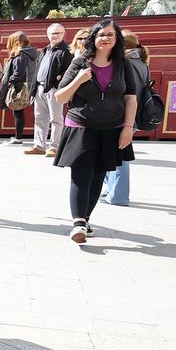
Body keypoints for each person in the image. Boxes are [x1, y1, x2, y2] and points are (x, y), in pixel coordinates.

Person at [54, 18, 139, 244]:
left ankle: (85, 218)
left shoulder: (123, 64)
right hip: (81, 125)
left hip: (111, 127)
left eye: (110, 35)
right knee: (82, 174)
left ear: (116, 39)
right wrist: (79, 80)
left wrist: (128, 128)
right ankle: (78, 222)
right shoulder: (81, 62)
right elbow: (60, 96)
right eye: (101, 34)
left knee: (99, 175)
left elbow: (131, 98)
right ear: (93, 38)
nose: (105, 38)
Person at [102, 31, 151, 207]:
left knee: (120, 156)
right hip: (134, 115)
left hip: (122, 116)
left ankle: (118, 195)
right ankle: (111, 188)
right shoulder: (142, 63)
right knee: (114, 153)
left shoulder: (124, 63)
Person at [28, 23, 72, 157]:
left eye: (58, 33)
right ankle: (39, 146)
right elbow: (37, 71)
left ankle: (54, 147)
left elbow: (68, 72)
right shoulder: (44, 51)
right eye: (52, 33)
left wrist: (59, 84)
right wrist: (33, 89)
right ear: (47, 35)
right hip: (40, 88)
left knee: (56, 119)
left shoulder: (66, 51)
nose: (55, 36)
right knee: (40, 118)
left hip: (54, 89)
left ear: (63, 34)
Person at [0, 31, 37, 145]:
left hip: (19, 86)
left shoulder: (20, 54)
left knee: (18, 112)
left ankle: (18, 138)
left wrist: (10, 81)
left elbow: (18, 72)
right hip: (29, 85)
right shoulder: (31, 53)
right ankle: (20, 137)